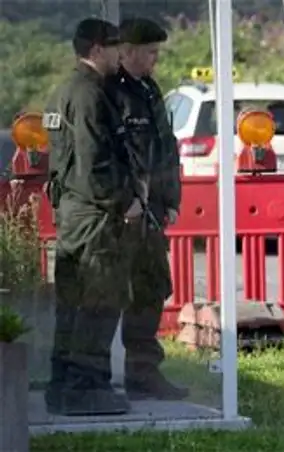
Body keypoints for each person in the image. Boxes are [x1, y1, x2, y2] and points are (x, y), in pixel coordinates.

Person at [43, 17, 144, 416]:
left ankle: (63, 385)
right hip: (95, 216)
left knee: (73, 304)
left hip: (75, 213)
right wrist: (126, 201)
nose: (121, 54)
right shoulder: (88, 94)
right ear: (97, 49)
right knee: (99, 301)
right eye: (116, 47)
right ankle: (86, 388)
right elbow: (94, 161)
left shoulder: (64, 91)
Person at [107, 17, 187, 400]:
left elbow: (165, 150)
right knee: (108, 292)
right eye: (151, 52)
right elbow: (107, 158)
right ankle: (96, 373)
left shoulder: (150, 90)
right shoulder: (111, 93)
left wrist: (171, 200)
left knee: (152, 286)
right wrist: (126, 202)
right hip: (122, 212)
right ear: (128, 51)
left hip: (152, 209)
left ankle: (143, 370)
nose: (156, 60)